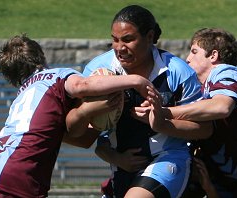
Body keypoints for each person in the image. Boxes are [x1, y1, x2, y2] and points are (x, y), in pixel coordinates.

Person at [0, 34, 154, 197]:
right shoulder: (55, 75)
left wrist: (86, 112)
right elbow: (81, 85)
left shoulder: (21, 98)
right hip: (19, 174)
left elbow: (81, 139)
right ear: (41, 56)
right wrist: (135, 81)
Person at [83, 5, 213, 198]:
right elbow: (89, 135)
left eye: (128, 39)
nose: (120, 48)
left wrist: (162, 123)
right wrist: (115, 157)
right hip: (120, 168)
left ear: (150, 37)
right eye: (115, 40)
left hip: (168, 159)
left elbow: (205, 129)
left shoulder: (177, 71)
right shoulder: (98, 71)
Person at [146, 28, 237, 198]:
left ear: (213, 56)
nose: (187, 58)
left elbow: (221, 107)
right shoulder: (198, 93)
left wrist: (164, 112)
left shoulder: (224, 71)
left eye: (194, 51)